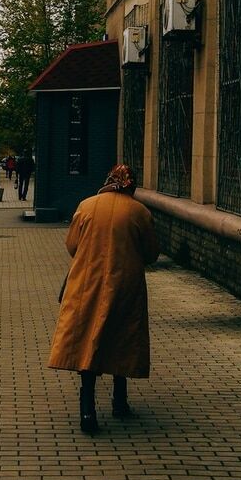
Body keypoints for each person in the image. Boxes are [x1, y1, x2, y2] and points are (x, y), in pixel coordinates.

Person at [48, 164, 159, 434]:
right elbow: (151, 253)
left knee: (88, 339)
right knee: (122, 339)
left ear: (108, 180)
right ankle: (119, 402)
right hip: (125, 285)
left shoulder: (86, 206)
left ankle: (87, 410)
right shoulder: (139, 212)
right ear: (131, 184)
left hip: (87, 284)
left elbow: (72, 245)